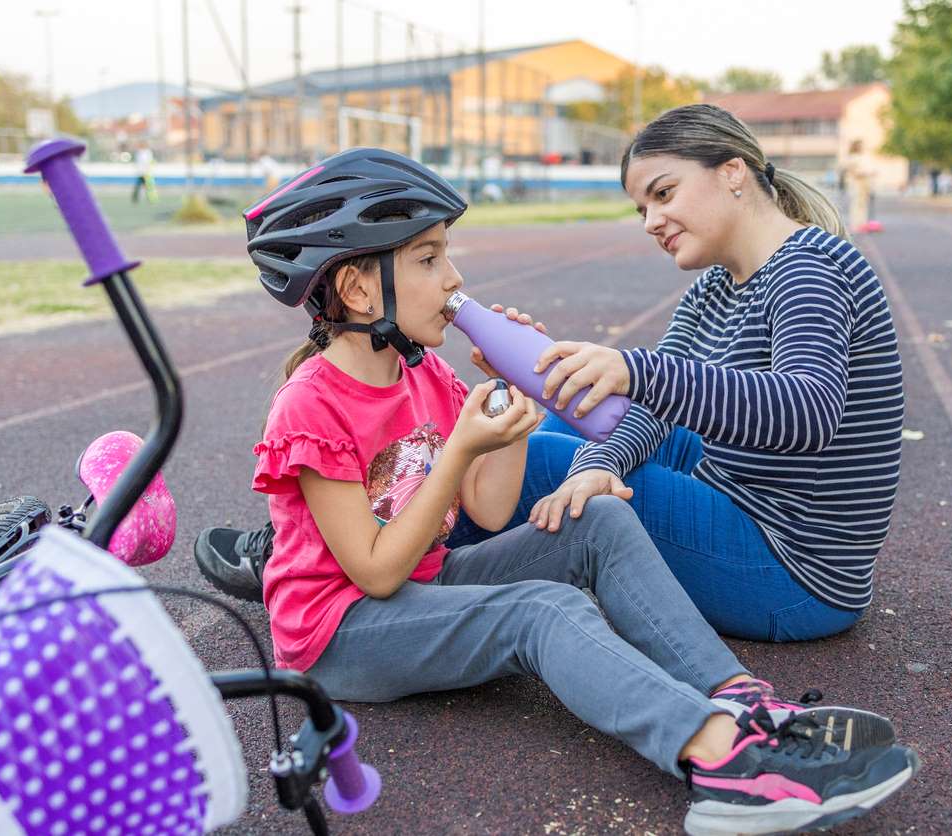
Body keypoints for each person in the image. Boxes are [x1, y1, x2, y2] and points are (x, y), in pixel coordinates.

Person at [230, 147, 917, 833]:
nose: (454, 277)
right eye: (429, 259)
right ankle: (720, 767)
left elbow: (492, 510)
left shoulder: (428, 379)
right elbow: (377, 574)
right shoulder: (308, 406)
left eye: (447, 255)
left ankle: (740, 702)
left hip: (425, 582)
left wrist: (516, 401)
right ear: (356, 288)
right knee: (541, 611)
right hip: (341, 633)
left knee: (599, 517)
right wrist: (462, 449)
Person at [199, 104, 906, 645]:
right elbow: (648, 412)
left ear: (733, 173)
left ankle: (336, 561)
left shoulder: (810, 266)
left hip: (793, 571)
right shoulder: (718, 286)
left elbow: (806, 413)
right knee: (562, 415)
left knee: (527, 454)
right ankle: (344, 541)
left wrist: (631, 372)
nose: (651, 220)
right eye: (641, 207)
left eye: (663, 193)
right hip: (740, 490)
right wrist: (598, 459)